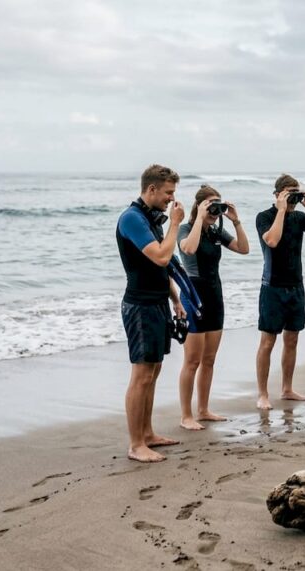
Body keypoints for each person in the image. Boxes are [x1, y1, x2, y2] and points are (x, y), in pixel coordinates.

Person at [115, 164, 189, 463]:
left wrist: (175, 299)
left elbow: (165, 268)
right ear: (151, 189)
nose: (172, 198)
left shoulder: (151, 219)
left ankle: (147, 434)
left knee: (154, 371)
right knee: (142, 374)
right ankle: (135, 445)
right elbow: (161, 256)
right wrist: (174, 224)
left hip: (157, 301)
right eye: (168, 192)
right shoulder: (132, 218)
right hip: (140, 304)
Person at [176, 184, 249, 430]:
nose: (215, 210)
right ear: (199, 206)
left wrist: (236, 221)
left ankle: (204, 409)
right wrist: (198, 217)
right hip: (193, 296)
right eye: (210, 205)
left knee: (209, 359)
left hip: (215, 296)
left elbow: (244, 249)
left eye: (218, 204)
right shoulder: (186, 229)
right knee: (192, 360)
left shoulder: (217, 232)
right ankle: (186, 415)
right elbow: (189, 248)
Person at [255, 174, 305, 410]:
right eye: (288, 193)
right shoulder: (264, 217)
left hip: (296, 285)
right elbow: (272, 241)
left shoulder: (299, 217)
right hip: (272, 286)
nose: (292, 199)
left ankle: (287, 388)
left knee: (292, 339)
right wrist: (280, 209)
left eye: (294, 193)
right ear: (277, 194)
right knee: (268, 341)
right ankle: (263, 393)